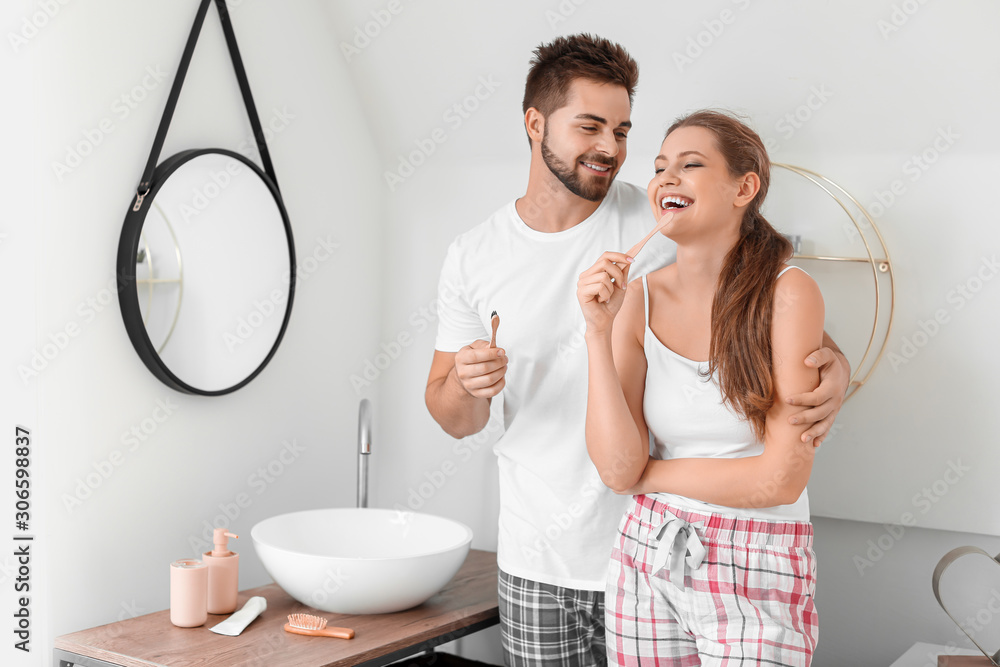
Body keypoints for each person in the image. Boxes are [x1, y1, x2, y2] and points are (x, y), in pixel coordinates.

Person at [425, 35, 847, 667]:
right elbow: (453, 416)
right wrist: (466, 381)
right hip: (543, 555)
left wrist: (834, 365)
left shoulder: (660, 220)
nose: (610, 150)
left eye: (622, 131)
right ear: (535, 123)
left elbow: (757, 300)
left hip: (654, 539)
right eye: (590, 126)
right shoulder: (474, 256)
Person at [577, 109, 824, 665]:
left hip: (756, 558)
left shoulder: (790, 294)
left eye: (690, 165)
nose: (666, 178)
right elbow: (618, 470)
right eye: (660, 167)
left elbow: (780, 480)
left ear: (745, 187)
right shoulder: (635, 300)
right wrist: (597, 331)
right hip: (647, 552)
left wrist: (652, 476)